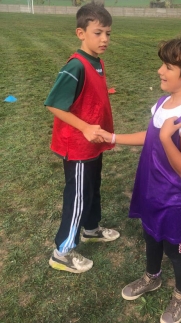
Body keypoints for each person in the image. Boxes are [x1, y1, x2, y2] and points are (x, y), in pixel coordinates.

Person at [96, 37, 181, 323]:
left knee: (174, 246)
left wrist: (169, 138)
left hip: (176, 198)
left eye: (169, 66)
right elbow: (152, 136)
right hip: (152, 187)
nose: (160, 70)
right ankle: (152, 277)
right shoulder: (164, 102)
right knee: (150, 235)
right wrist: (113, 137)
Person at [45, 3, 120, 274]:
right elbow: (54, 103)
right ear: (81, 33)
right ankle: (62, 252)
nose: (104, 39)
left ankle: (91, 228)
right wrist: (85, 127)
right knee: (76, 196)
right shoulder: (75, 65)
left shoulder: (97, 61)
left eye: (108, 34)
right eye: (98, 32)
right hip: (76, 146)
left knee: (92, 188)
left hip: (93, 144)